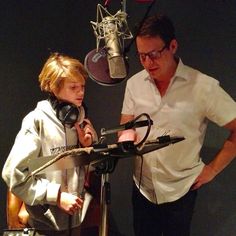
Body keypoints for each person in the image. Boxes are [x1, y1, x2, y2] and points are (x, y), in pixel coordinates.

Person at [118, 14, 236, 236]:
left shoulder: (203, 87)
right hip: (143, 188)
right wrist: (127, 137)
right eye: (142, 56)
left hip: (181, 189)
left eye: (153, 55)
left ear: (172, 46)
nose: (147, 63)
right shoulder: (135, 84)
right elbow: (127, 125)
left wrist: (212, 170)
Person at [2, 53, 99, 236]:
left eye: (82, 87)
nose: (81, 92)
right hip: (44, 226)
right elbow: (14, 175)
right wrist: (57, 196)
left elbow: (91, 171)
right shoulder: (36, 122)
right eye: (73, 87)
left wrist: (88, 147)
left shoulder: (80, 120)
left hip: (75, 222)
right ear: (54, 88)